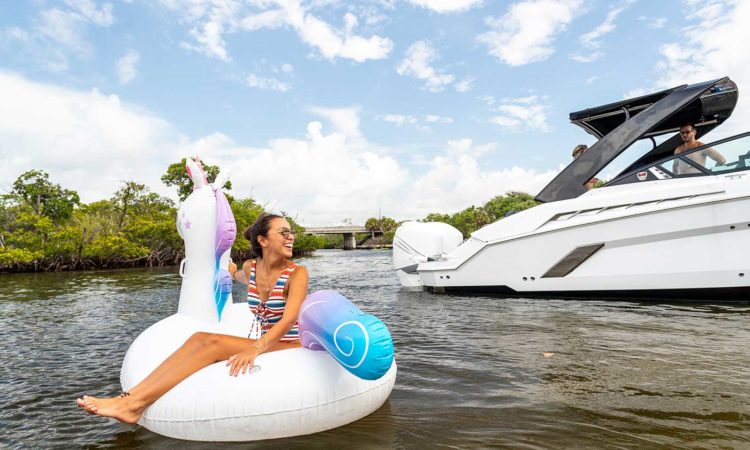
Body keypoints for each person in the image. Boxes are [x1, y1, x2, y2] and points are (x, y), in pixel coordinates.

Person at [76, 213, 308, 424]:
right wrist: (228, 270)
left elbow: (289, 319)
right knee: (198, 338)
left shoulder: (297, 274)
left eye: (291, 232)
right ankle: (129, 399)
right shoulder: (251, 268)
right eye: (284, 232)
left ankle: (132, 404)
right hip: (269, 341)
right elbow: (240, 276)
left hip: (291, 343)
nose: (291, 237)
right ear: (263, 240)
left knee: (211, 342)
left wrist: (254, 349)